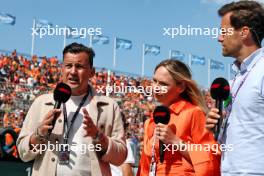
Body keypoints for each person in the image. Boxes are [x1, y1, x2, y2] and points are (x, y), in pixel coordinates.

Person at [17, 42, 127, 176]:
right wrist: (39, 134)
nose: (73, 72)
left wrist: (99, 137)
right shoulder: (42, 103)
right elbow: (23, 153)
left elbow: (120, 156)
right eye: (68, 65)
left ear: (92, 72)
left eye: (79, 66)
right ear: (62, 69)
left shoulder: (109, 107)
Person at [206, 1, 264, 175]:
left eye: (224, 31)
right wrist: (216, 126)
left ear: (244, 32)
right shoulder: (237, 77)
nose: (219, 38)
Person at [137, 59, 220, 176]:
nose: (155, 87)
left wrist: (175, 141)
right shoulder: (150, 121)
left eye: (163, 84)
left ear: (181, 87)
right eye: (154, 81)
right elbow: (145, 166)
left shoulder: (193, 113)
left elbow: (212, 156)